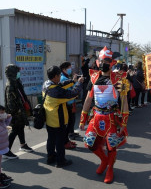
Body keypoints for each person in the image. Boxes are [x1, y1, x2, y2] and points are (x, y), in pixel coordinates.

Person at [79, 46, 129, 184]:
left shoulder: (120, 79)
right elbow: (88, 99)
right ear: (97, 62)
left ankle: (110, 168)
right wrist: (82, 119)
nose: (102, 63)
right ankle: (104, 160)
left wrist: (123, 123)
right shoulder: (94, 78)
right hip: (96, 116)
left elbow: (124, 102)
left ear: (112, 62)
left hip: (112, 118)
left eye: (106, 60)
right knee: (90, 143)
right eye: (100, 60)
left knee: (111, 146)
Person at [43, 66, 84, 168]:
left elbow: (60, 85)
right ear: (56, 76)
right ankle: (61, 161)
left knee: (51, 139)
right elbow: (72, 94)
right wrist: (79, 83)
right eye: (60, 75)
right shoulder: (56, 91)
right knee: (60, 141)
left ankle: (50, 157)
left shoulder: (46, 84)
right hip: (58, 119)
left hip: (49, 118)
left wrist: (72, 81)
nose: (61, 77)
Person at [4, 64, 33, 159]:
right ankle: (6, 150)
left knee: (21, 127)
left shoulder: (16, 82)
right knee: (15, 130)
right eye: (17, 72)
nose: (18, 74)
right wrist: (17, 112)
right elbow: (10, 103)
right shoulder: (11, 85)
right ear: (12, 73)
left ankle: (23, 145)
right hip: (15, 113)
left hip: (20, 112)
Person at [60, 62, 78, 149]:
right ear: (64, 69)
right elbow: (70, 91)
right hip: (67, 104)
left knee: (71, 121)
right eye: (69, 68)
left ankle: (67, 140)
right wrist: (77, 84)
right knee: (68, 123)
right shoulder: (63, 78)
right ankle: (66, 140)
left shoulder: (66, 77)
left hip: (70, 102)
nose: (71, 69)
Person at [0, 105, 13, 188]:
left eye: (4, 112)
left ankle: (0, 175)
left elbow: (6, 123)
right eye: (1, 113)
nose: (3, 114)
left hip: (1, 147)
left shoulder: (2, 121)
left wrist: (8, 117)